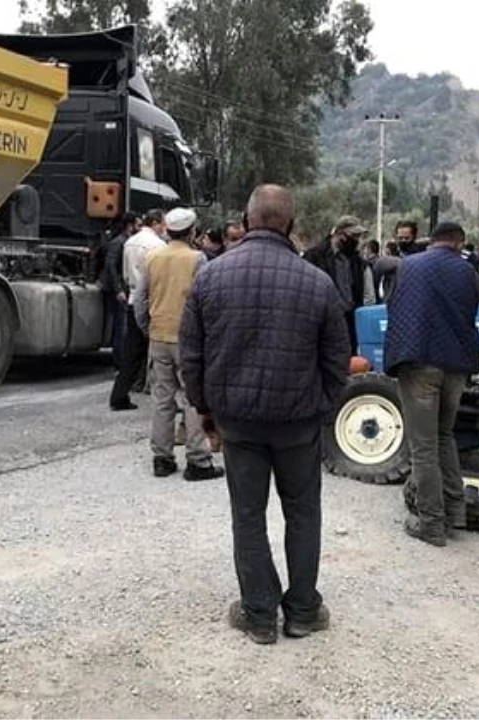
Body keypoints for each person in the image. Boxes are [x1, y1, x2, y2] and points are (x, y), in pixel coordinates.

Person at [180, 184, 350, 645]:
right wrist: (320, 409)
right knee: (303, 513)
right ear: (291, 226)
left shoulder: (211, 278)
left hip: (239, 423)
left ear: (246, 219)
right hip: (298, 425)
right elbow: (338, 363)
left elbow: (191, 358)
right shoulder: (318, 282)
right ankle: (301, 611)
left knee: (248, 515)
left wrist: (206, 413)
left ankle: (258, 614)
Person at [382, 221, 479, 546]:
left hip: (420, 361)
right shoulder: (469, 272)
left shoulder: (411, 266)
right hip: (457, 365)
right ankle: (456, 513)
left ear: (432, 241)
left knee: (422, 447)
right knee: (444, 437)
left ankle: (431, 524)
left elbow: (393, 305)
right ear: (459, 242)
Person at [133, 208, 225, 481]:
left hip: (158, 336)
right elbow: (208, 301)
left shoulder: (152, 257)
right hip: (188, 340)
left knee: (162, 398)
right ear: (192, 232)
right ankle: (198, 460)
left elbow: (140, 300)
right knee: (192, 398)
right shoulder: (198, 259)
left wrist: (147, 328)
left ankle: (162, 458)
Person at [109, 208, 166, 410]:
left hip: (133, 298)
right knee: (160, 352)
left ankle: (119, 395)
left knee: (131, 353)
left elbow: (125, 273)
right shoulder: (158, 245)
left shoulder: (130, 242)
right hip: (151, 300)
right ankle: (164, 398)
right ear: (157, 223)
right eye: (163, 224)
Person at [302, 215, 376, 354]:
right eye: (353, 236)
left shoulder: (357, 262)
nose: (356, 240)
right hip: (323, 324)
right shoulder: (315, 257)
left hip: (349, 324)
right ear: (339, 234)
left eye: (358, 236)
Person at [101, 212, 140, 370]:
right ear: (130, 225)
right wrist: (118, 289)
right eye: (138, 225)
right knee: (120, 327)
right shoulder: (119, 243)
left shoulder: (126, 242)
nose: (140, 228)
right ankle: (120, 363)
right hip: (117, 291)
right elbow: (111, 266)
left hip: (122, 289)